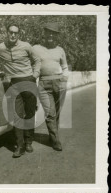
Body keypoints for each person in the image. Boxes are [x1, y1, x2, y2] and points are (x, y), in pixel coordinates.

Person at [0, 23, 41, 158]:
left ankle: (28, 141)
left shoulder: (26, 46)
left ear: (18, 34)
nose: (13, 35)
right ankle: (20, 146)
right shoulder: (2, 47)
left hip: (28, 81)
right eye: (10, 32)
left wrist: (34, 76)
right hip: (13, 83)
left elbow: (37, 60)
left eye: (15, 32)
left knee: (30, 113)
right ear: (7, 33)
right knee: (17, 115)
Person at [33, 22, 69, 151]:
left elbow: (65, 67)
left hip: (59, 83)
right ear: (44, 33)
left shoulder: (60, 50)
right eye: (49, 32)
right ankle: (55, 141)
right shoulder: (36, 48)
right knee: (50, 113)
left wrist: (64, 80)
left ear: (57, 36)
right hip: (43, 84)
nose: (51, 35)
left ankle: (53, 135)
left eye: (54, 33)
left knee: (57, 113)